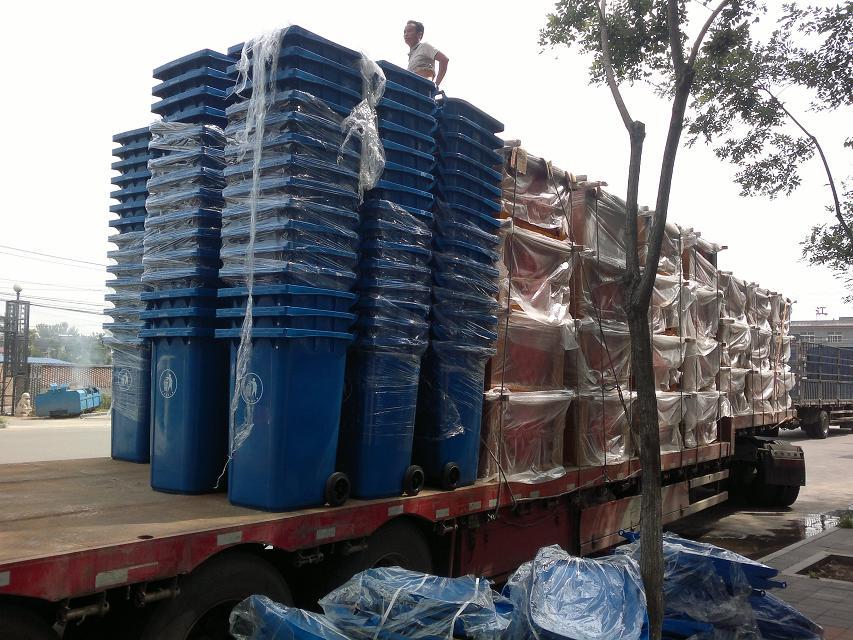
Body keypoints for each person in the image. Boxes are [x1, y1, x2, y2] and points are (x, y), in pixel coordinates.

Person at [404, 20, 449, 87]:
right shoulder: (412, 54)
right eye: (405, 32)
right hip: (412, 87)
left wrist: (436, 85)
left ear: (419, 34)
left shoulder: (424, 46)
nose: (406, 34)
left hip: (422, 87)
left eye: (409, 31)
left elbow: (444, 59)